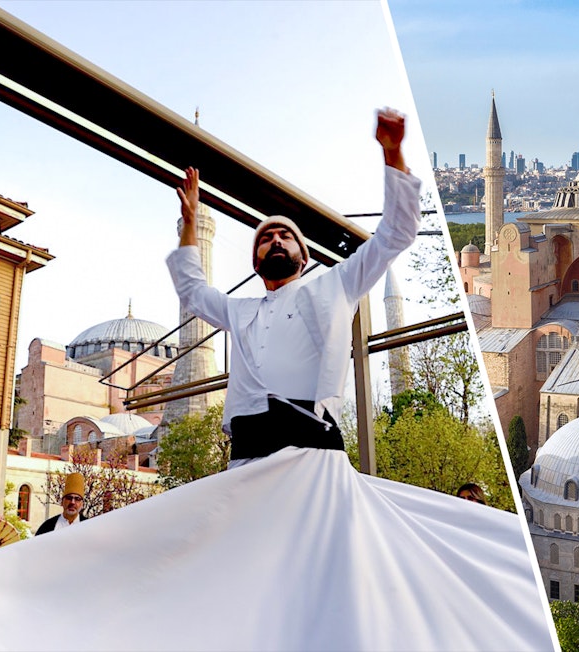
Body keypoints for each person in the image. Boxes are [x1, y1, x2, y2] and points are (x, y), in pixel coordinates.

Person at [168, 108, 420, 466]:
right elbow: (192, 290)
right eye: (266, 237)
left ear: (302, 257)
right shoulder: (239, 312)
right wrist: (190, 223)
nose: (276, 241)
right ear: (256, 261)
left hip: (312, 441)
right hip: (247, 447)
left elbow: (395, 234)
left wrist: (393, 154)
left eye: (285, 236)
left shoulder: (337, 286)